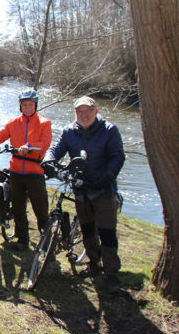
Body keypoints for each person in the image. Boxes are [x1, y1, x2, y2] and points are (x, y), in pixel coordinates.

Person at [43, 96, 125, 293]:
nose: (84, 115)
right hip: (81, 188)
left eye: (87, 111)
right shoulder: (69, 131)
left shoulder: (109, 130)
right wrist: (49, 160)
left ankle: (111, 274)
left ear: (95, 111)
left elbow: (117, 156)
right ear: (75, 114)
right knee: (87, 230)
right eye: (79, 111)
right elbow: (57, 149)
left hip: (103, 189)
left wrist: (108, 176)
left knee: (107, 233)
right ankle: (94, 264)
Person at [0, 89, 52, 251]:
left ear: (35, 105)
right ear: (20, 106)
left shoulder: (44, 123)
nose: (27, 107)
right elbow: (0, 135)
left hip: (34, 172)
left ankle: (46, 242)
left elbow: (45, 143)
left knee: (40, 209)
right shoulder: (14, 122)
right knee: (19, 207)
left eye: (30, 105)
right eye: (24, 105)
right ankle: (22, 240)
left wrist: (29, 147)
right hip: (15, 171)